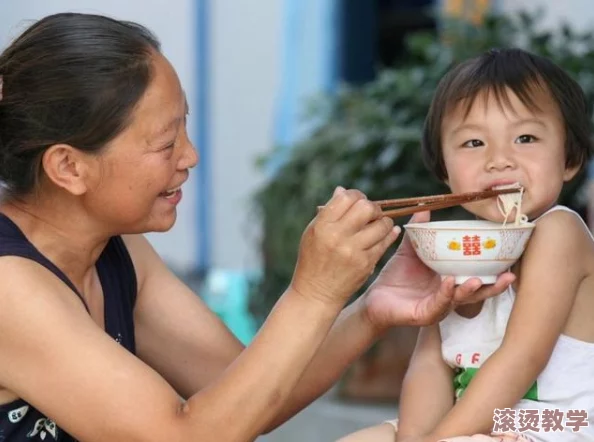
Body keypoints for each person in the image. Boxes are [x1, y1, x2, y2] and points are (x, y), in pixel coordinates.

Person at [0, 13, 514, 442]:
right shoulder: (10, 286)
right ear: (69, 167)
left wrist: (371, 309)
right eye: (164, 144)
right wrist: (311, 291)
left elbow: (243, 395)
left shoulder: (116, 249)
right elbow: (187, 437)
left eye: (185, 127)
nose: (190, 157)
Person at [338, 48, 594, 442]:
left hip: (559, 424)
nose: (499, 160)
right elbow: (430, 367)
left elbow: (522, 357)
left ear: (569, 158)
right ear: (444, 168)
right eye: (474, 143)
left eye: (525, 137)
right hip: (471, 425)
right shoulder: (457, 247)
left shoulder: (560, 231)